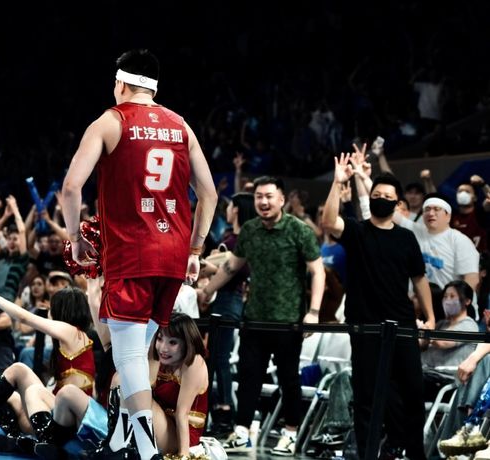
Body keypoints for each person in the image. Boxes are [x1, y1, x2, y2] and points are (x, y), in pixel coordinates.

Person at [61, 48, 217, 460]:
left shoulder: (110, 121)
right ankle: (117, 443)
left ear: (121, 83)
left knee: (128, 354)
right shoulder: (181, 126)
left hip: (133, 252)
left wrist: (75, 238)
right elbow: (209, 194)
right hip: (173, 255)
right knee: (137, 354)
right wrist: (196, 248)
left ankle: (146, 450)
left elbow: (71, 188)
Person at [198, 175, 326, 456]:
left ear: (281, 199)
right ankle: (242, 432)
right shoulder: (250, 230)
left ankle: (290, 433)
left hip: (288, 321)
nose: (264, 202)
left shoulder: (298, 230)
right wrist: (207, 290)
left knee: (289, 379)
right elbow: (232, 266)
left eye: (269, 196)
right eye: (259, 197)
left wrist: (314, 312)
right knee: (249, 377)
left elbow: (317, 271)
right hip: (254, 318)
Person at [321, 154, 435, 460]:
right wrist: (337, 182)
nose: (381, 199)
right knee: (367, 395)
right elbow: (329, 221)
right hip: (365, 325)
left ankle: (412, 452)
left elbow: (420, 279)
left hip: (402, 324)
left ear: (397, 203)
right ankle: (368, 453)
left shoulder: (406, 238)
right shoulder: (357, 231)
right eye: (377, 195)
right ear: (369, 198)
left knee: (412, 390)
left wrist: (430, 316)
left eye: (387, 197)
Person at [0, 267, 95, 452]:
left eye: (52, 307)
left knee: (33, 390)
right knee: (5, 389)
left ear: (63, 310)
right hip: (58, 416)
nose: (49, 310)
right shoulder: (73, 338)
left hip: (67, 421)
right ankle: (12, 437)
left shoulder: (71, 332)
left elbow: (23, 317)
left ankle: (38, 442)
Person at [41, 312, 209, 458]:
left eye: (172, 342)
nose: (163, 348)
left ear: (187, 343)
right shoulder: (154, 358)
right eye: (160, 339)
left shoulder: (194, 362)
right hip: (146, 426)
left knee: (133, 387)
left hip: (180, 435)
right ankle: (61, 445)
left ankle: (114, 446)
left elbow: (182, 414)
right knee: (123, 381)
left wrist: (183, 455)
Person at [200, 191, 254, 434]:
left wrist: (212, 269)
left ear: (237, 209)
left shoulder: (245, 239)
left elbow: (239, 271)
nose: (228, 209)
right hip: (222, 298)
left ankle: (224, 408)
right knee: (215, 355)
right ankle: (217, 407)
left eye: (231, 205)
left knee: (221, 357)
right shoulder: (230, 237)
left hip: (231, 299)